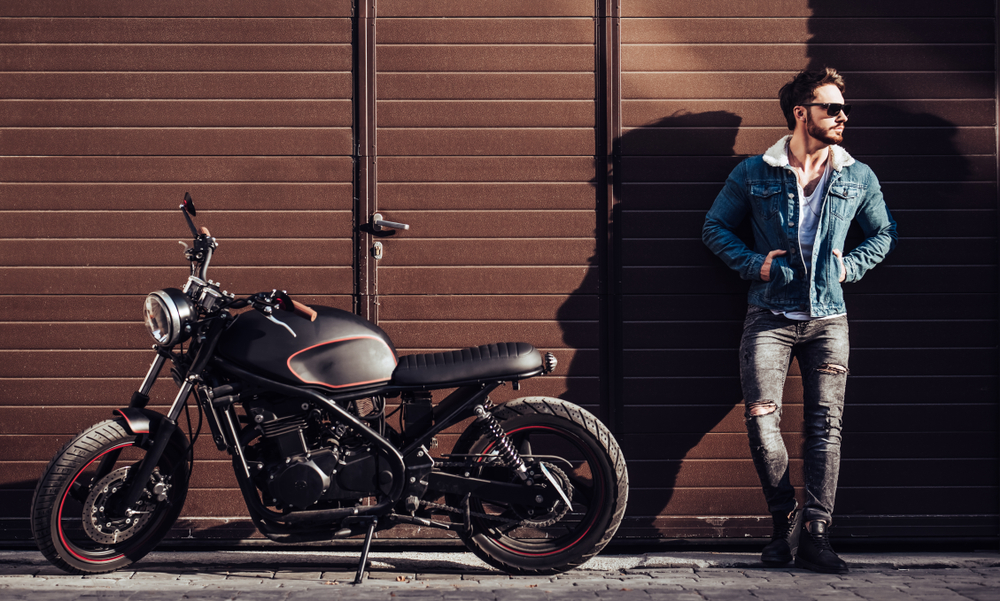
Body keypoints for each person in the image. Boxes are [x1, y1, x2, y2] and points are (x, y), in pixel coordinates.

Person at [701, 68, 897, 574]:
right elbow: (715, 227)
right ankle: (782, 521)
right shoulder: (753, 173)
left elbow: (884, 233)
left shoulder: (858, 176)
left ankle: (816, 534)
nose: (842, 116)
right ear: (801, 113)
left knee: (824, 429)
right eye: (832, 108)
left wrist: (849, 266)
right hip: (769, 313)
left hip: (830, 320)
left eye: (843, 108)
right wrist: (756, 264)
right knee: (762, 420)